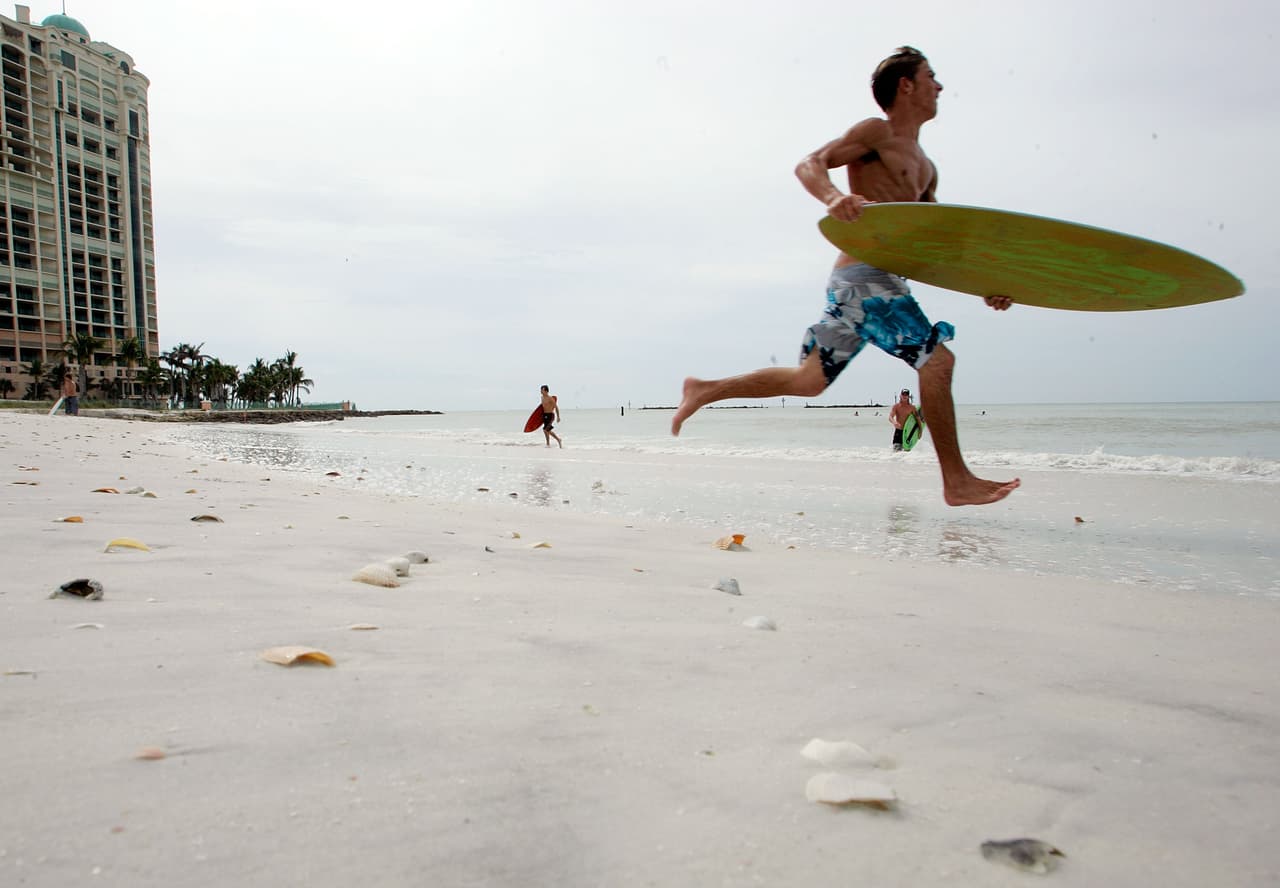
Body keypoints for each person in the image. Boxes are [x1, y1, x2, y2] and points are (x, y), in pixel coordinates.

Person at [671, 46, 1019, 506]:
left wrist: (985, 285)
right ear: (906, 85)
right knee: (938, 361)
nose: (940, 85)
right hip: (865, 277)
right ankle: (955, 481)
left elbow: (939, 245)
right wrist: (834, 197)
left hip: (865, 282)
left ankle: (705, 389)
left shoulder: (926, 169)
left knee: (808, 382)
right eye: (930, 76)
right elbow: (809, 164)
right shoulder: (878, 132)